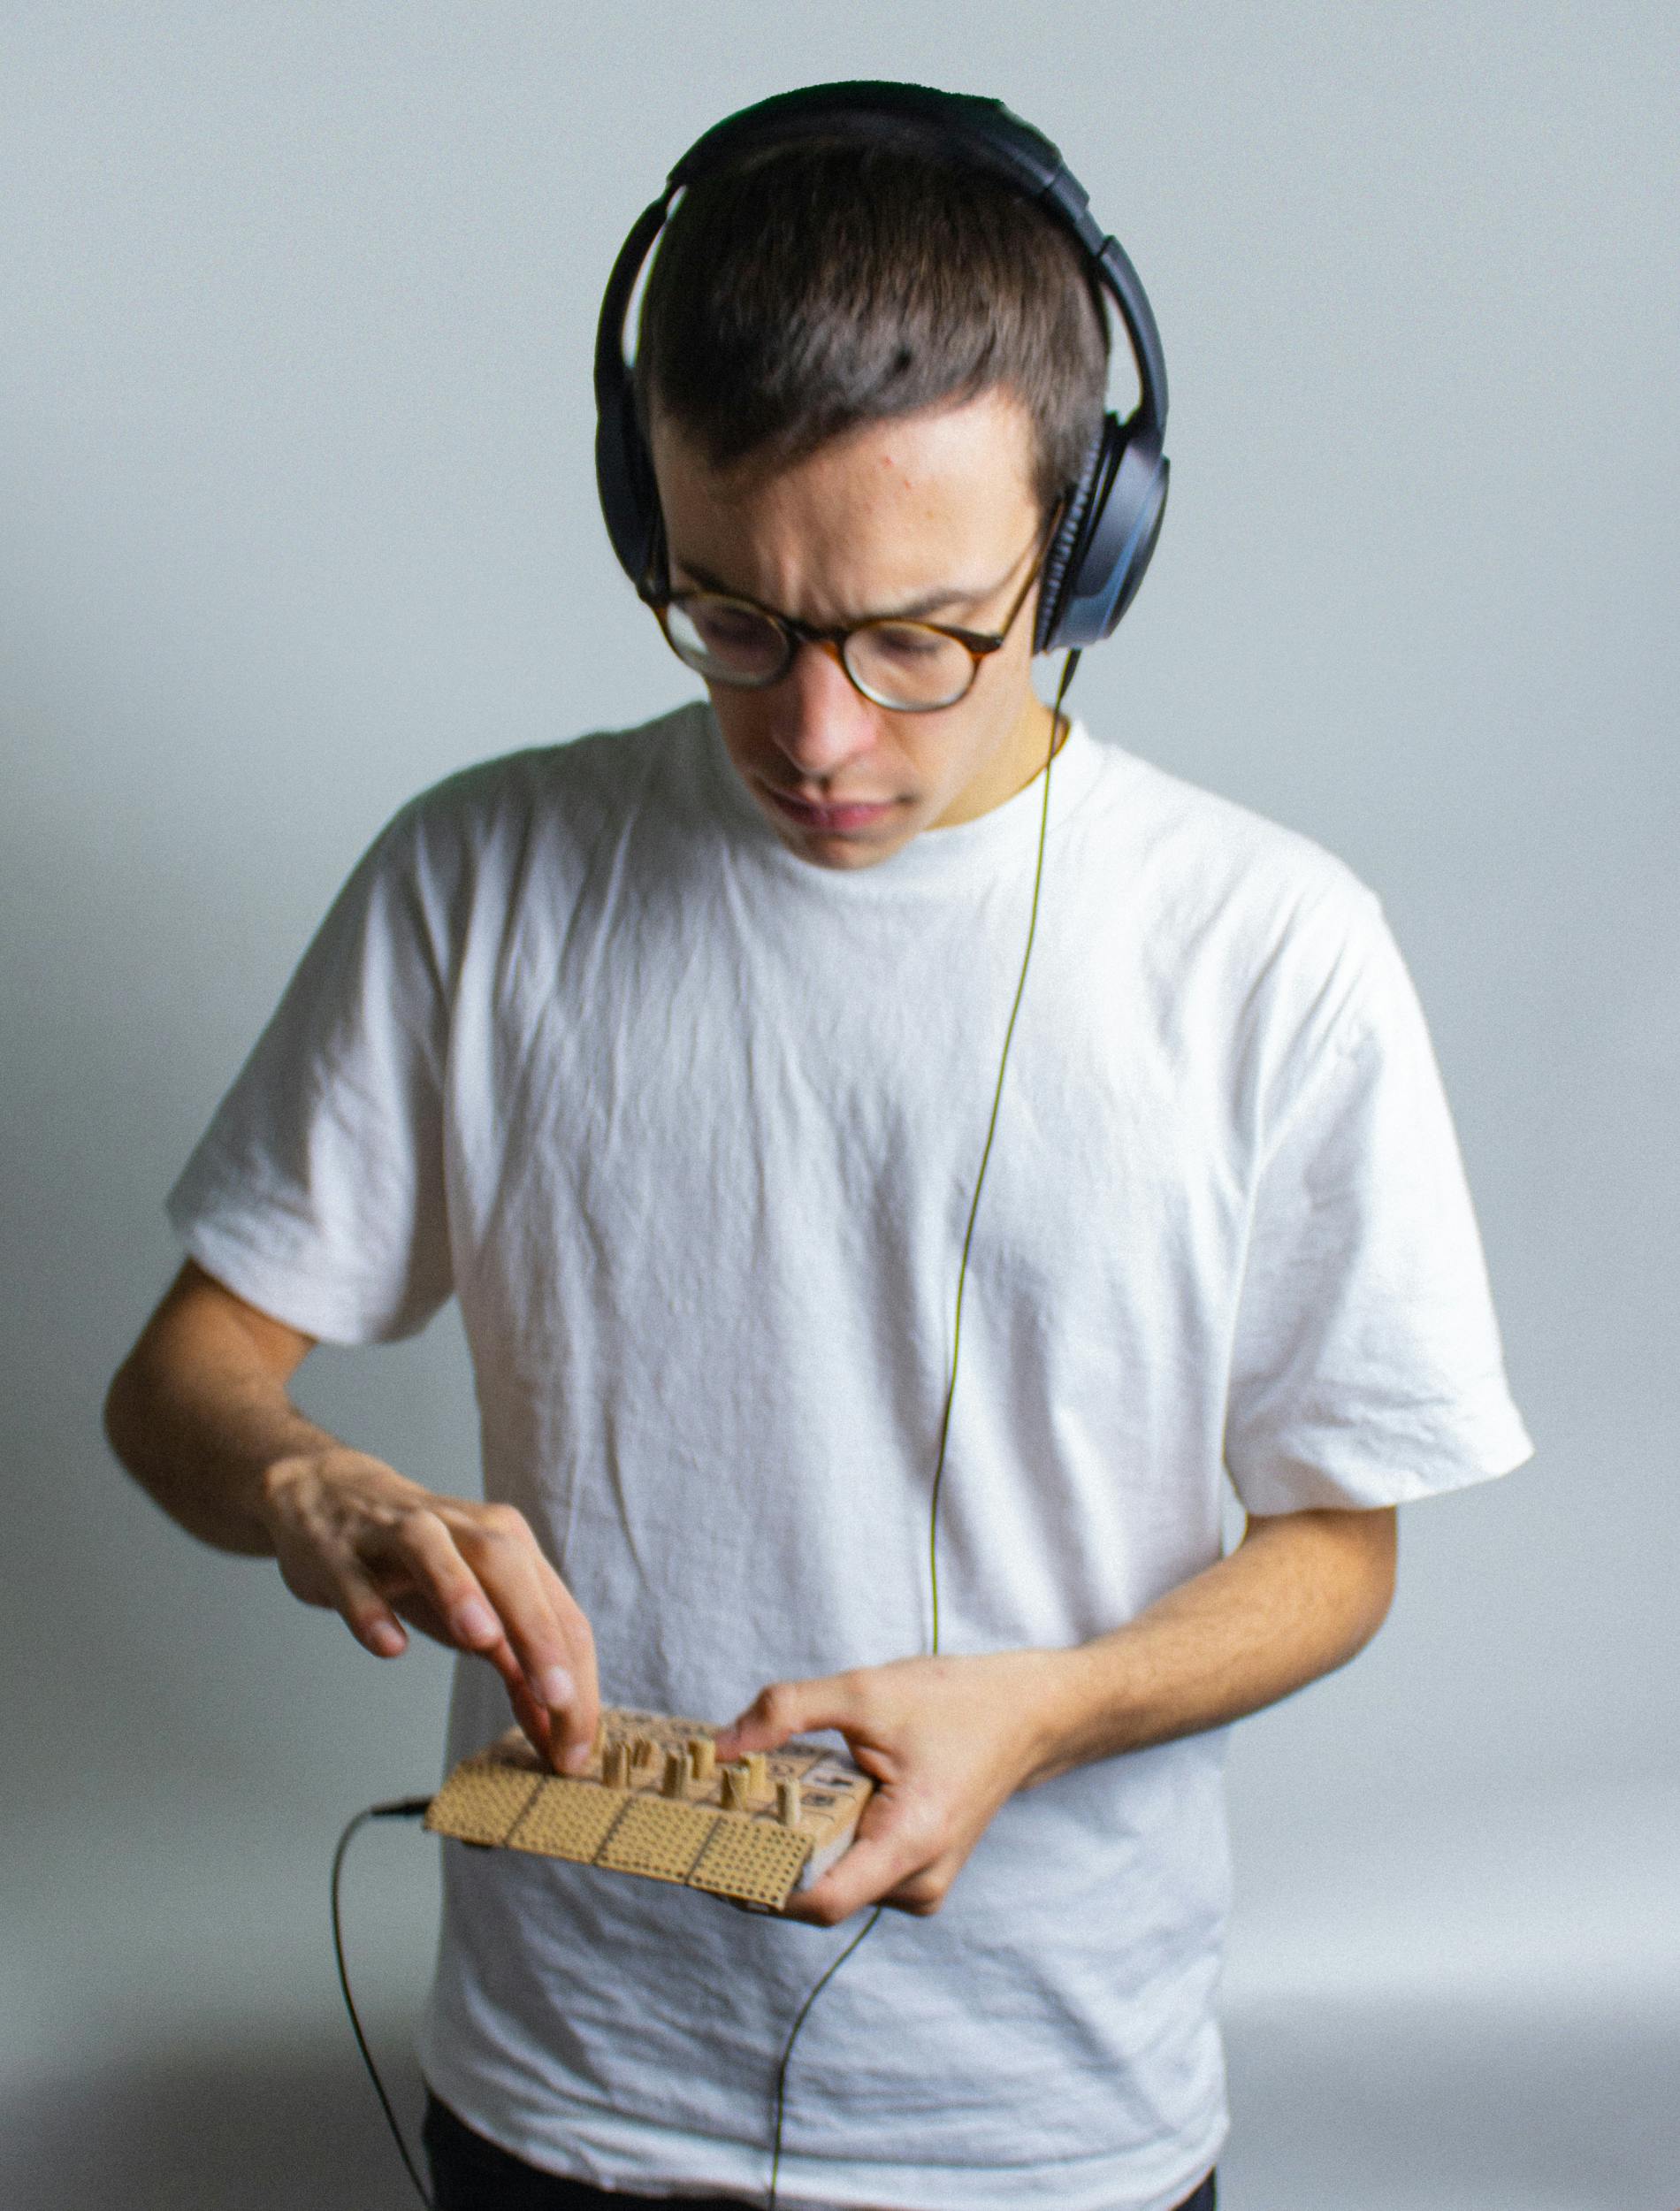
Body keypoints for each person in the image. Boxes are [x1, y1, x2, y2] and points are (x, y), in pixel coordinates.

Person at [104, 82, 1531, 2211]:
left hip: (1041, 2118)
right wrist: (324, 1481)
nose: (818, 733)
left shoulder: (1273, 950)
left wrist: (1044, 1707)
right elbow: (181, 1384)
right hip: (556, 2086)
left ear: (1092, 535)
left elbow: (1336, 1547)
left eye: (916, 636)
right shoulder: (478, 876)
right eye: (736, 622)